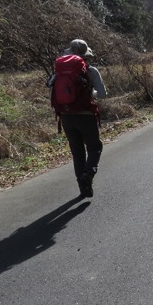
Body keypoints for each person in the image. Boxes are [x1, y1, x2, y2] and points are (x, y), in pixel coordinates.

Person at [48, 39, 107, 198]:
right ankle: (88, 174)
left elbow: (52, 95)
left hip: (66, 117)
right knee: (95, 148)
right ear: (85, 54)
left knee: (77, 152)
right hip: (86, 116)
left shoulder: (58, 72)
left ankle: (83, 187)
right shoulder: (91, 70)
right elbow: (102, 94)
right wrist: (91, 93)